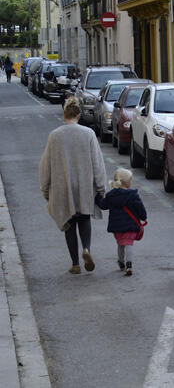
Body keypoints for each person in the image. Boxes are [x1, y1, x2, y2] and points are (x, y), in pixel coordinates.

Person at [39, 97, 107, 274]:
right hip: (84, 187)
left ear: (64, 115)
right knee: (84, 218)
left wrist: (46, 190)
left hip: (63, 187)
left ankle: (75, 263)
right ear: (79, 114)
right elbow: (97, 163)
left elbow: (45, 165)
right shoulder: (88, 134)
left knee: (68, 223)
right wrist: (101, 189)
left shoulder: (54, 136)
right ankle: (86, 248)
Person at [95, 168, 146, 276]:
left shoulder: (111, 195)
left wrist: (97, 198)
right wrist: (143, 217)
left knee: (121, 244)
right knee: (129, 244)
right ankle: (129, 264)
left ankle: (121, 262)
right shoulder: (133, 195)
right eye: (130, 180)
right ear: (127, 182)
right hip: (130, 225)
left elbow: (103, 205)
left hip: (117, 226)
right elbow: (140, 208)